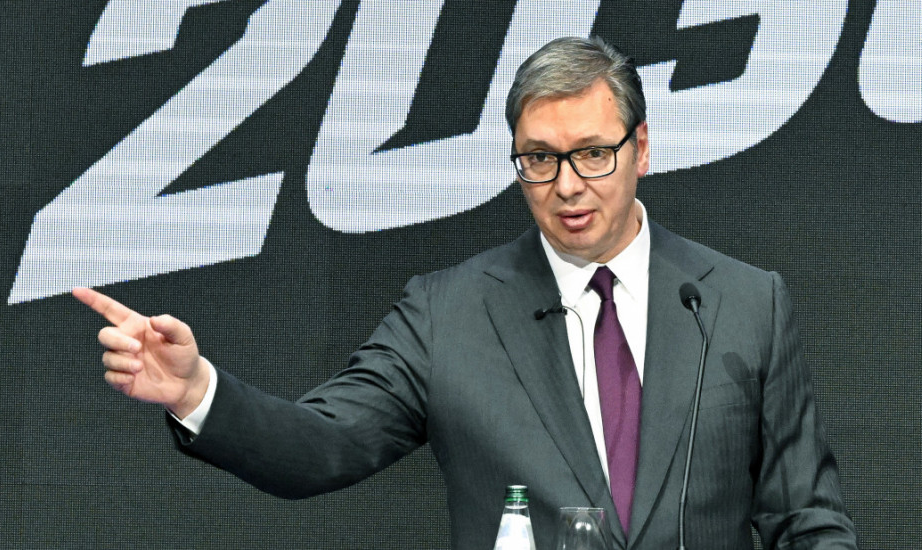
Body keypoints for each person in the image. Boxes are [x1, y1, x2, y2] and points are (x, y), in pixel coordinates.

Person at [74, 37, 858, 550]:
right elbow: (321, 446)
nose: (567, 186)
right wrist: (198, 392)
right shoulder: (446, 314)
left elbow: (807, 520)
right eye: (539, 159)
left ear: (641, 147)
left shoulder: (746, 305)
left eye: (592, 153)